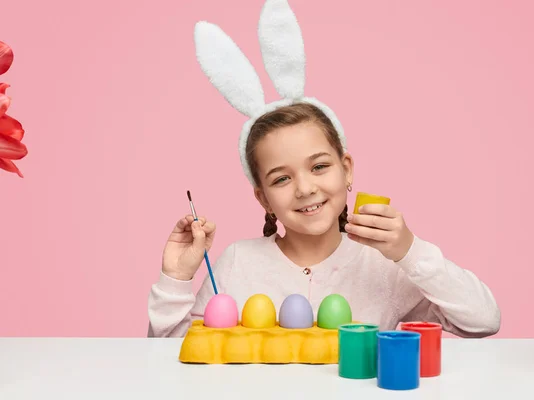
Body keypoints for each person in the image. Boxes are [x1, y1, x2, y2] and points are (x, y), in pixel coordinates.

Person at [147, 102, 501, 338]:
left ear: (346, 170)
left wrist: (410, 251)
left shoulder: (383, 265)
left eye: (319, 167)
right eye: (281, 179)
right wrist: (176, 278)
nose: (304, 188)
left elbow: (484, 321)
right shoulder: (238, 262)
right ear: (263, 199)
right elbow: (171, 358)